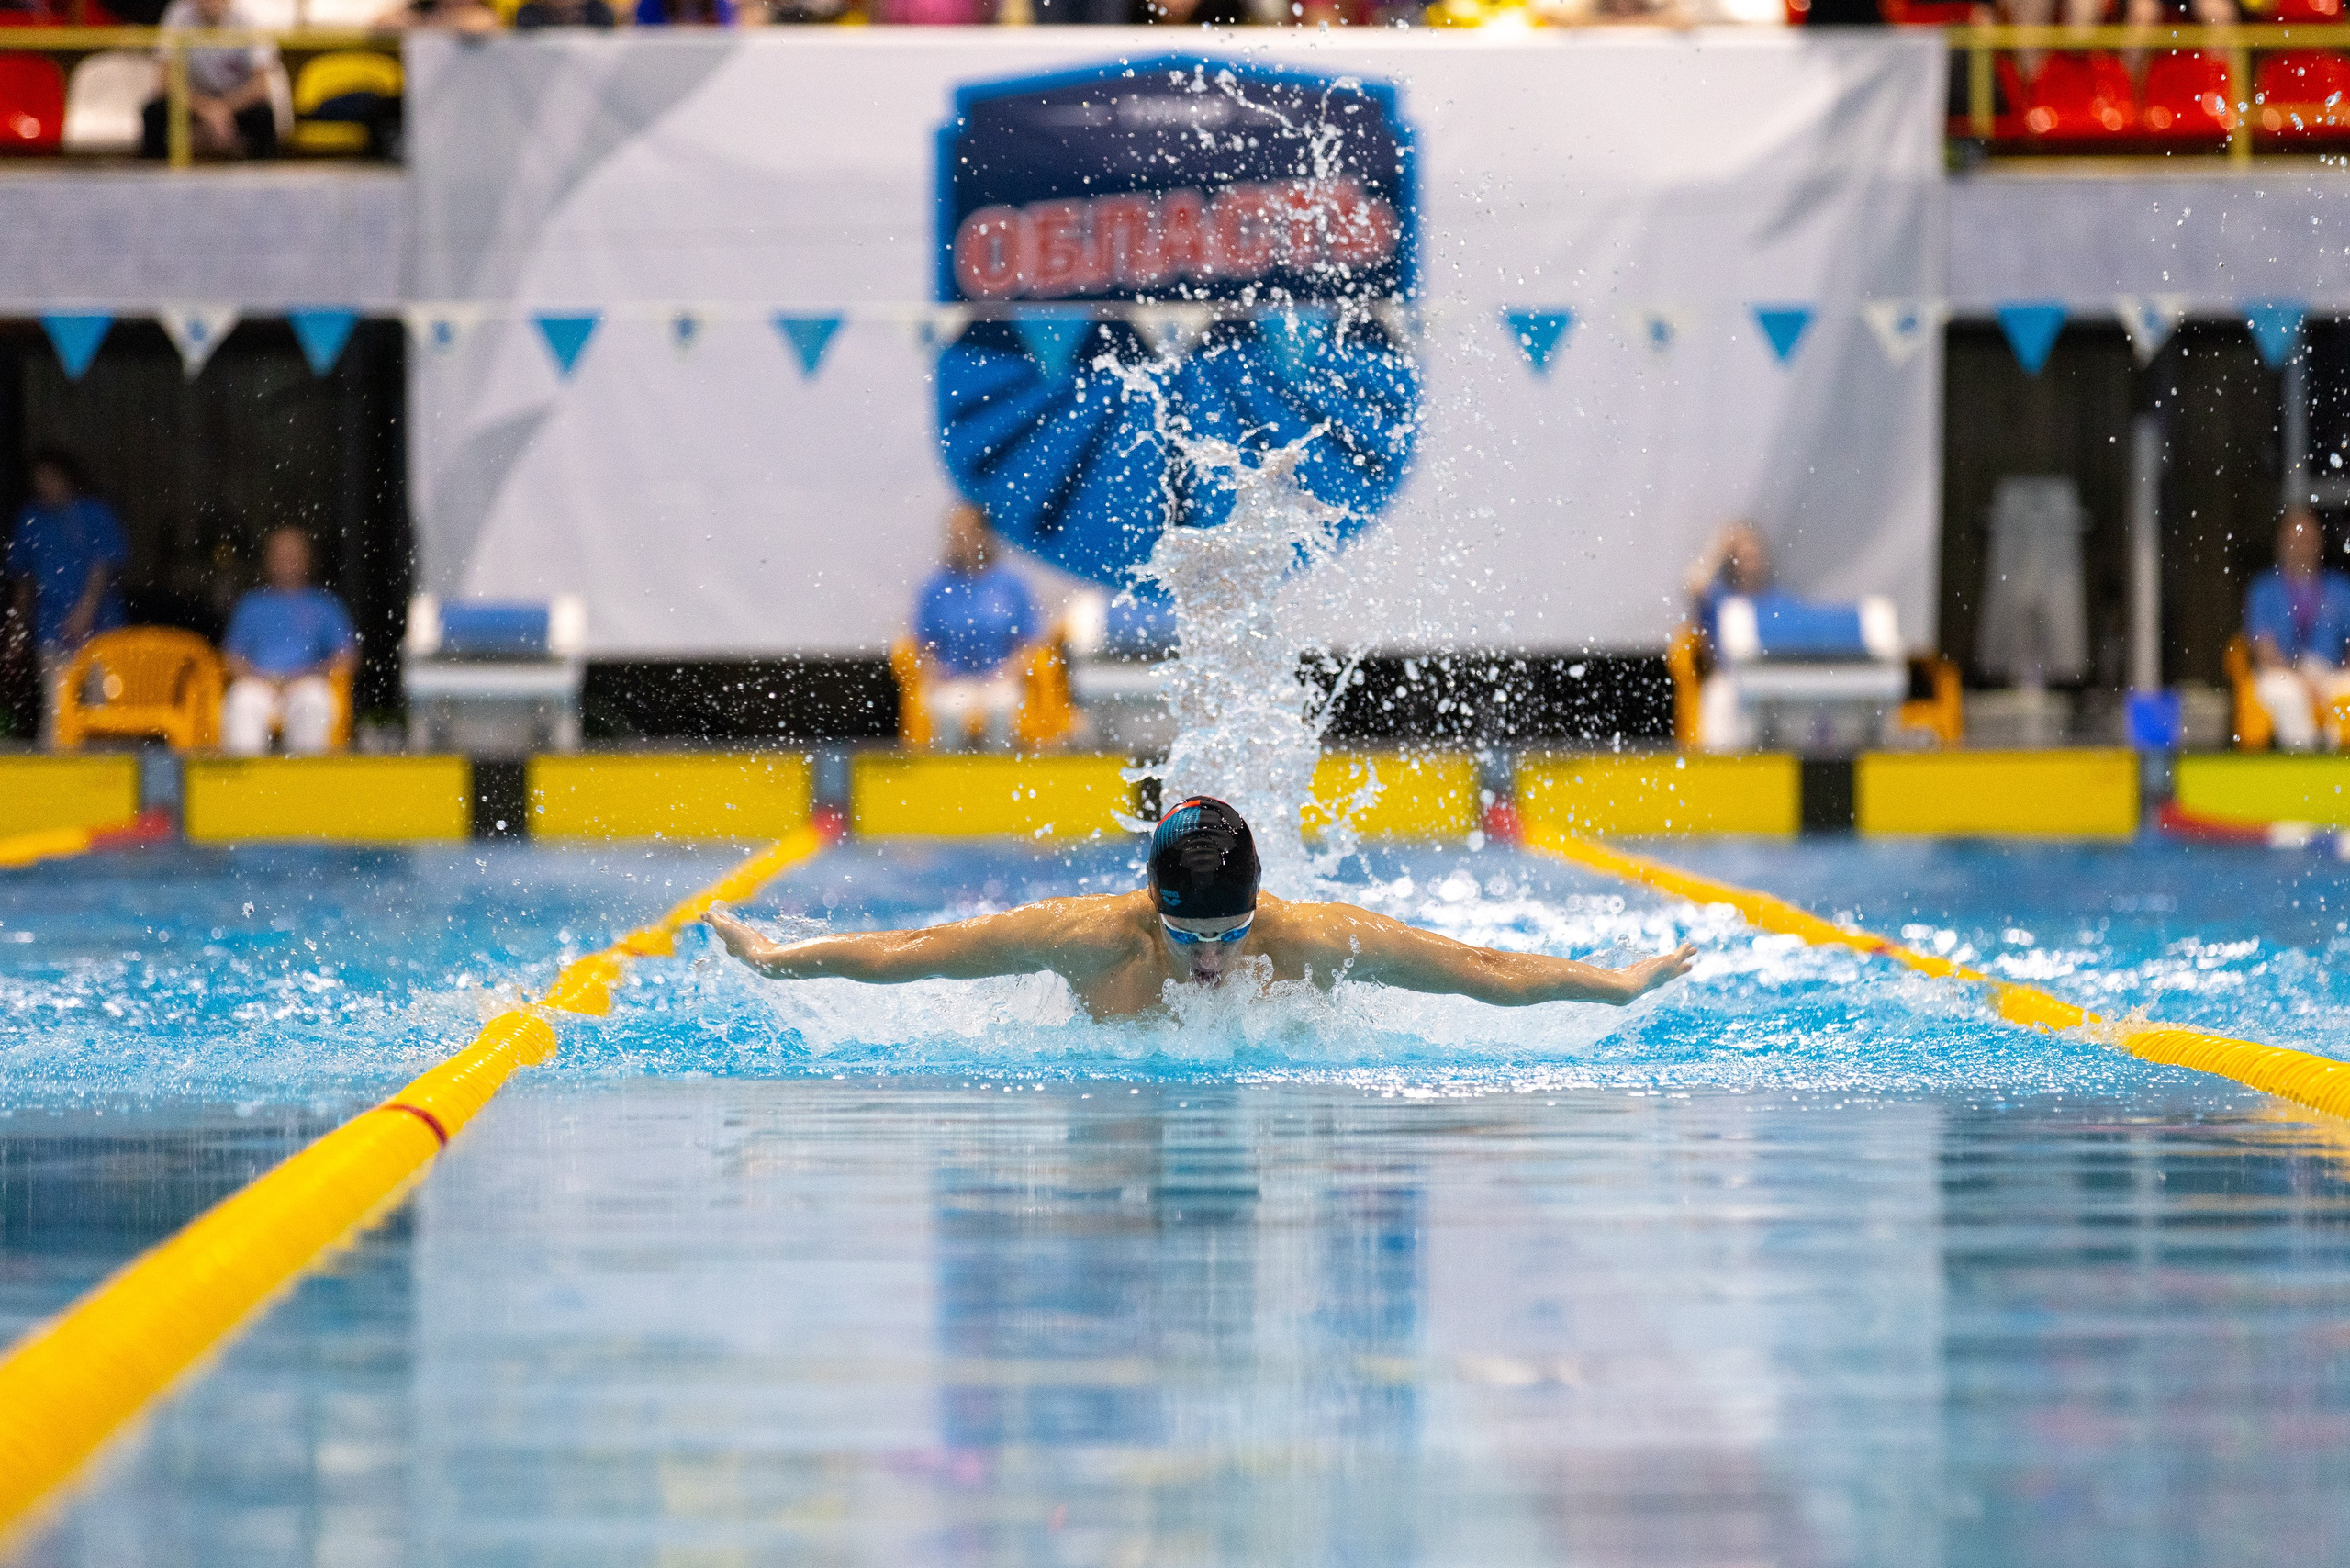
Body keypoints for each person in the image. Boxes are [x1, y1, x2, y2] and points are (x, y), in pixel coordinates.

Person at [706, 796, 1696, 1023]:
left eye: (1229, 933)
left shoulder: (1304, 939)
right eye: (1191, 937)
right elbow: (917, 950)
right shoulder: (1089, 939)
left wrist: (1612, 985)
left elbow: (1479, 970)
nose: (1213, 960)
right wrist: (777, 959)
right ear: (1152, 906)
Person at [6, 449, 129, 746]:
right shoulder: (30, 519)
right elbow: (24, 580)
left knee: (103, 708)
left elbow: (103, 566)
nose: (44, 485)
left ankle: (106, 780)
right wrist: (17, 631)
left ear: (67, 478)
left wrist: (85, 611)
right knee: (57, 710)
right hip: (51, 629)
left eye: (50, 477)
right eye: (39, 479)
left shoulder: (94, 514)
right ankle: (57, 786)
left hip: (101, 629)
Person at [911, 503, 1038, 751]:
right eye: (955, 534)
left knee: (1001, 706)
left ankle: (999, 777)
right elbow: (923, 645)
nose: (961, 541)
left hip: (1001, 676)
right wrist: (937, 676)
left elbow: (1027, 643)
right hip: (952, 678)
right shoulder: (936, 587)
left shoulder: (1010, 586)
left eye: (967, 533)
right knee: (948, 708)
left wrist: (1007, 673)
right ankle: (949, 779)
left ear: (985, 536)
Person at [219, 527, 355, 756]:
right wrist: (257, 678)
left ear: (307, 562)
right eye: (280, 557)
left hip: (307, 682)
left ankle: (305, 784)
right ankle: (247, 786)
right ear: (268, 562)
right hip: (258, 684)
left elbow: (347, 657)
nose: (286, 564)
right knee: (241, 702)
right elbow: (232, 656)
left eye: (293, 558)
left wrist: (310, 674)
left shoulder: (325, 604)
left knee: (313, 701)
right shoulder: (251, 605)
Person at [2244, 506, 2350, 752]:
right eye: (2294, 540)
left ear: (2319, 544)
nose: (2301, 548)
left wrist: (2330, 675)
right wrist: (2304, 679)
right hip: (2281, 672)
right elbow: (2264, 652)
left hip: (2330, 671)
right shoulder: (2264, 589)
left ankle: (2337, 765)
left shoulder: (2340, 588)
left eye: (2308, 539)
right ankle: (2304, 764)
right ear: (2281, 544)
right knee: (2287, 694)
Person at [141, 0, 279, 161]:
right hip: (193, 101)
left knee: (263, 116)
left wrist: (224, 109)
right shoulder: (179, 14)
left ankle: (263, 178)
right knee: (153, 113)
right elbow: (165, 83)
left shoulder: (249, 17)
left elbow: (261, 86)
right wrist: (207, 110)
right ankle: (156, 175)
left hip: (236, 102)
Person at [1682, 520, 1773, 751]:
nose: (1748, 560)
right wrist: (1719, 546)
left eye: (1753, 553)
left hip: (1770, 689)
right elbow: (1693, 583)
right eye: (1741, 554)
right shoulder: (1720, 600)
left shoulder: (1778, 601)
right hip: (1728, 688)